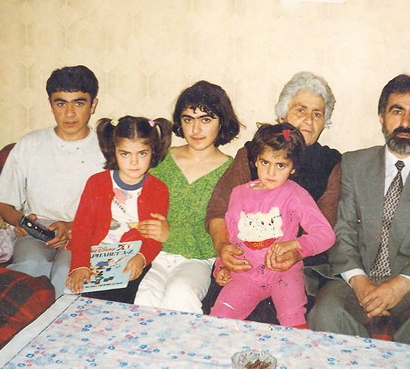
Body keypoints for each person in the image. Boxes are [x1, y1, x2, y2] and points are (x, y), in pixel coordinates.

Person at [308, 74, 410, 350]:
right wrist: (360, 283)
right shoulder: (354, 164)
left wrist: (398, 286)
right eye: (396, 111)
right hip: (355, 278)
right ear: (382, 116)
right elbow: (342, 232)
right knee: (327, 312)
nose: (405, 123)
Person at [203, 71, 341, 323]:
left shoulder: (329, 161)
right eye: (300, 110)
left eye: (317, 114)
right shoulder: (253, 153)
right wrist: (223, 250)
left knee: (285, 314)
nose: (309, 119)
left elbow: (325, 227)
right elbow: (218, 211)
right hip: (244, 262)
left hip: (299, 264)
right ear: (282, 115)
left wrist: (296, 253)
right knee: (224, 311)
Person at [0, 65, 105, 298]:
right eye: (61, 103)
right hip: (38, 232)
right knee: (29, 269)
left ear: (93, 105)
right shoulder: (30, 144)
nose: (69, 113)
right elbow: (1, 199)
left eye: (79, 103)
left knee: (67, 273)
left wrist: (72, 226)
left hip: (85, 231)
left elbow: (117, 208)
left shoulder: (108, 149)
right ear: (51, 104)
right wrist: (19, 221)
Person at [134, 81, 241, 313]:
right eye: (188, 119)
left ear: (222, 122)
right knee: (145, 298)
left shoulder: (231, 171)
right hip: (157, 254)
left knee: (180, 293)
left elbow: (225, 230)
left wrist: (171, 234)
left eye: (206, 120)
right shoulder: (162, 161)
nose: (196, 129)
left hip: (199, 259)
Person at [66, 116, 172, 304]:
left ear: (153, 151)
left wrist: (141, 257)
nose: (134, 162)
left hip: (133, 255)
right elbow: (82, 228)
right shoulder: (96, 183)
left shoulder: (158, 189)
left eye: (142, 154)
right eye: (125, 154)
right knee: (84, 297)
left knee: (128, 296)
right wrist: (80, 265)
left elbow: (154, 237)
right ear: (113, 151)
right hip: (94, 255)